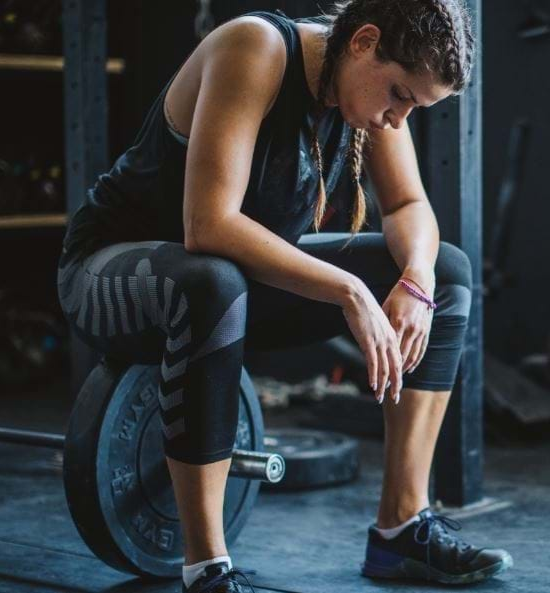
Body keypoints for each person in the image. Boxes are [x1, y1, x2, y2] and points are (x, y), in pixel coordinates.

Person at [55, 2, 512, 591]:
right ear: (364, 42)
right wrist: (350, 290)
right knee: (211, 279)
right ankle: (207, 569)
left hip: (233, 289)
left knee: (447, 274)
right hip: (108, 275)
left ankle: (401, 528)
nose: (397, 119)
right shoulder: (257, 48)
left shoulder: (368, 104)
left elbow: (407, 207)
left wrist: (416, 281)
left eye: (414, 108)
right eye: (398, 95)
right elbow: (209, 226)